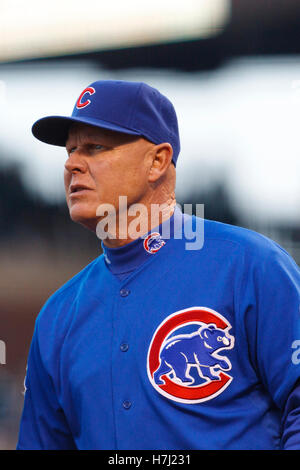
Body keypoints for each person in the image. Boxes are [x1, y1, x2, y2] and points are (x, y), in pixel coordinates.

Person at [17, 79, 300, 450]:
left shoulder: (249, 266)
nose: (72, 163)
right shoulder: (57, 316)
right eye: (69, 151)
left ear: (157, 161)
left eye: (94, 147)